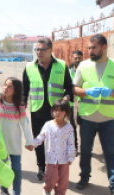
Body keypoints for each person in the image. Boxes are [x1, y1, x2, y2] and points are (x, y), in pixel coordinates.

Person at [73, 34, 114, 195]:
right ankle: (84, 177)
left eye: (94, 48)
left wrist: (112, 92)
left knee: (110, 154)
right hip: (87, 117)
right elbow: (75, 89)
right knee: (85, 151)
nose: (90, 51)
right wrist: (86, 92)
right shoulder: (83, 66)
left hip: (108, 119)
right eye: (89, 48)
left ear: (104, 47)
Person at [23, 37, 73, 181]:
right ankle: (41, 167)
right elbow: (25, 90)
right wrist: (22, 106)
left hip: (56, 113)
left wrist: (66, 99)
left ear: (50, 50)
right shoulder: (29, 67)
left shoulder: (61, 66)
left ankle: (56, 167)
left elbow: (69, 87)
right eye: (37, 49)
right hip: (37, 110)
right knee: (38, 141)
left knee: (57, 142)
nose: (39, 52)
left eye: (42, 49)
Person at [0, 77, 34, 195]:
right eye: (5, 85)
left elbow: (25, 125)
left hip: (14, 144)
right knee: (3, 168)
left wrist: (29, 140)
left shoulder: (19, 107)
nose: (5, 88)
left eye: (9, 86)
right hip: (0, 144)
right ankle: (4, 190)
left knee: (16, 169)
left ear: (15, 91)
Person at [32, 99, 75, 195]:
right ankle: (47, 189)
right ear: (52, 111)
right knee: (52, 177)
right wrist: (32, 144)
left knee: (63, 180)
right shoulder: (48, 125)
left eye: (61, 110)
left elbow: (71, 143)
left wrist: (71, 156)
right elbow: (41, 137)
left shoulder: (69, 127)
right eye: (55, 110)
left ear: (66, 112)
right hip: (51, 158)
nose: (57, 112)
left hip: (64, 159)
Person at [68, 50, 83, 152]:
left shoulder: (86, 70)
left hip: (82, 102)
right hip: (71, 102)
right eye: (76, 58)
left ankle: (85, 147)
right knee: (72, 125)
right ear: (72, 59)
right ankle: (75, 146)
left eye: (79, 58)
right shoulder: (68, 71)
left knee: (82, 124)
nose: (77, 60)